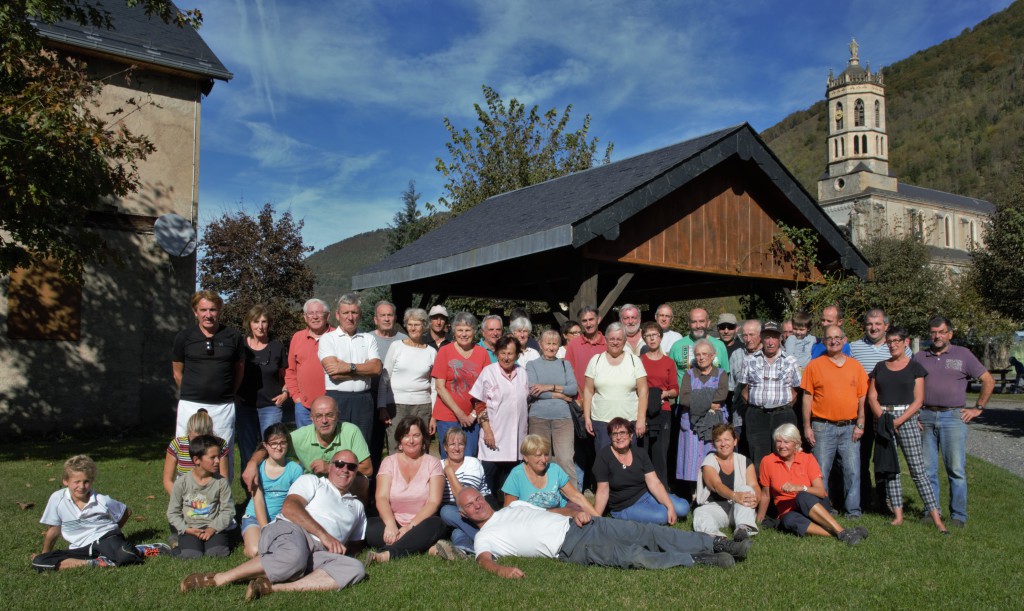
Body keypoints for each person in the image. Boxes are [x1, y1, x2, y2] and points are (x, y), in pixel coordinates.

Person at [179, 450, 367, 601]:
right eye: (340, 464)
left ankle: (274, 587)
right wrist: (325, 535)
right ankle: (219, 579)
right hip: (291, 531)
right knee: (293, 558)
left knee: (355, 569)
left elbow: (355, 544)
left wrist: (340, 553)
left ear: (356, 472)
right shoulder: (313, 482)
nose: (345, 469)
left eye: (351, 466)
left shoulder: (357, 507)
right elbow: (290, 508)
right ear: (330, 467)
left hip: (319, 552)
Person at [459, 487, 752, 577]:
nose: (477, 505)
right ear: (464, 514)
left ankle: (718, 545)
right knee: (633, 556)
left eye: (477, 498)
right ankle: (698, 559)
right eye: (470, 506)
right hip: (570, 548)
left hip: (584, 524)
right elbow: (484, 560)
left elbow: (551, 512)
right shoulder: (484, 536)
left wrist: (577, 511)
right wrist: (503, 571)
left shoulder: (513, 506)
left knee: (649, 533)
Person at [912, 316, 995, 527]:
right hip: (926, 417)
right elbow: (909, 386)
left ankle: (958, 516)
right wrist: (915, 413)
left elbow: (988, 380)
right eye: (933, 332)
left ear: (950, 333)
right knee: (927, 470)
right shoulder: (920, 357)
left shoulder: (963, 355)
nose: (937, 336)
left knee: (956, 470)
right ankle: (932, 512)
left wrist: (977, 409)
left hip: (953, 418)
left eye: (941, 332)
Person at [867, 326, 947, 532]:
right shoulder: (880, 367)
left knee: (918, 470)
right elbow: (872, 396)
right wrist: (883, 418)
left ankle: (936, 516)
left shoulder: (914, 368)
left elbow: (918, 400)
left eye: (896, 341)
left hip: (907, 420)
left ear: (906, 342)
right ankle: (898, 514)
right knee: (890, 468)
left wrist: (899, 420)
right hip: (883, 420)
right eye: (889, 342)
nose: (892, 345)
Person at [171, 290, 244, 479]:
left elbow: (239, 370)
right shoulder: (184, 337)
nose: (208, 314)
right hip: (190, 405)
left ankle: (222, 504)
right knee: (188, 453)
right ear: (195, 312)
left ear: (219, 311)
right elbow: (177, 371)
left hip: (222, 406)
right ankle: (187, 501)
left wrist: (227, 392)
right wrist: (192, 391)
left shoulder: (233, 337)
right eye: (203, 310)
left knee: (221, 454)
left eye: (212, 309)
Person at [32, 455, 150, 571]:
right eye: (76, 482)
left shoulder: (102, 500)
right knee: (40, 562)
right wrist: (44, 554)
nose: (82, 486)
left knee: (127, 558)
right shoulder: (57, 498)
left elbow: (126, 512)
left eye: (86, 481)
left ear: (92, 480)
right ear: (65, 481)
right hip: (79, 548)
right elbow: (54, 530)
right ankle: (95, 562)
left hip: (105, 538)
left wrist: (115, 533)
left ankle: (140, 550)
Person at [756, 424, 868, 545]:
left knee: (802, 496)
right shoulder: (767, 461)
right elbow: (765, 495)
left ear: (796, 444)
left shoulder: (808, 459)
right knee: (787, 520)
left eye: (786, 442)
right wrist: (759, 520)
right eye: (778, 442)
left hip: (814, 505)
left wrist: (799, 488)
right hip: (790, 511)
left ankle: (840, 530)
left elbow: (820, 491)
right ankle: (844, 533)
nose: (782, 446)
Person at [242, 396, 372, 500]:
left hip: (344, 486)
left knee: (362, 482)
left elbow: (367, 469)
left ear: (337, 416)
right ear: (311, 418)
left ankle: (360, 519)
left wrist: (330, 468)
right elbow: (270, 446)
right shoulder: (301, 436)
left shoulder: (351, 431)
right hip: (312, 489)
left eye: (329, 415)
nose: (324, 420)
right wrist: (252, 463)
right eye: (319, 416)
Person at [801, 325, 868, 518]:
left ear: (844, 340)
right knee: (821, 472)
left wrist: (860, 423)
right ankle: (823, 510)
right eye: (829, 338)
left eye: (838, 337)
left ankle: (853, 511)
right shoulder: (814, 365)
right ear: (824, 341)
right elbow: (807, 397)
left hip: (849, 427)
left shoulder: (855, 366)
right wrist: (807, 426)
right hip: (822, 426)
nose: (834, 341)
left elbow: (862, 397)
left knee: (852, 471)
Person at [848, 308, 909, 511]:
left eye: (878, 324)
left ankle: (886, 500)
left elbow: (911, 379)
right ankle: (865, 499)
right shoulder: (854, 347)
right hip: (862, 410)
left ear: (886, 326)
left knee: (885, 457)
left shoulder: (899, 348)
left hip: (888, 411)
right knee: (861, 458)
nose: (873, 328)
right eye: (869, 324)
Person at [365, 416, 446, 564]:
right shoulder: (389, 462)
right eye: (406, 436)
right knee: (368, 527)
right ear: (400, 441)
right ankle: (422, 546)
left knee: (436, 524)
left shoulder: (433, 463)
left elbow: (434, 502)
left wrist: (409, 527)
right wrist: (390, 524)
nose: (411, 440)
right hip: (393, 522)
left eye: (416, 435)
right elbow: (381, 497)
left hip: (420, 524)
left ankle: (387, 554)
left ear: (423, 439)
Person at [593, 418, 689, 524]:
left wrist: (670, 506)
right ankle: (647, 511)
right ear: (610, 437)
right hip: (624, 506)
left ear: (631, 435)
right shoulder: (604, 456)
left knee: (683, 508)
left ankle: (659, 505)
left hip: (645, 495)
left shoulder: (640, 453)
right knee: (662, 515)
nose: (619, 437)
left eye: (622, 433)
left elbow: (655, 483)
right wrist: (596, 518)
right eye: (614, 434)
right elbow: (602, 491)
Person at [319, 293, 382, 446]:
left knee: (362, 445)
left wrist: (348, 367)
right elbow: (334, 373)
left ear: (359, 315)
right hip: (338, 399)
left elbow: (376, 369)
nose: (350, 317)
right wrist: (363, 371)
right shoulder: (328, 339)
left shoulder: (368, 339)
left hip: (364, 400)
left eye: (354, 312)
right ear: (337, 315)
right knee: (337, 444)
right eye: (345, 312)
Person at [236, 304, 288, 483]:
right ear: (249, 324)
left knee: (272, 447)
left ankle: (271, 487)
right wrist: (233, 394)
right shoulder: (240, 345)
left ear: (269, 324)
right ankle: (249, 491)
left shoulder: (277, 346)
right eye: (256, 321)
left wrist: (285, 392)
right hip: (245, 406)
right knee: (247, 449)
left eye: (264, 322)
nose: (260, 326)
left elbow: (285, 374)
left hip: (270, 407)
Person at [741, 321, 802, 475]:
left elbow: (796, 389)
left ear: (780, 338)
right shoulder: (749, 360)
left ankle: (783, 496)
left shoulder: (790, 361)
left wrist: (783, 405)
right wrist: (757, 405)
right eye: (767, 337)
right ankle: (762, 496)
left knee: (785, 455)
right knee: (759, 459)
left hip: (783, 414)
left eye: (774, 337)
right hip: (757, 415)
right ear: (761, 338)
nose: (770, 342)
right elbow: (744, 390)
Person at [471, 335, 530, 492]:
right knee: (490, 482)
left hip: (517, 438)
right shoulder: (488, 372)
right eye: (502, 353)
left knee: (511, 482)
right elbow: (479, 403)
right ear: (496, 353)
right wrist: (488, 431)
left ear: (517, 355)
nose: (506, 357)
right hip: (494, 437)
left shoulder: (522, 373)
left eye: (510, 353)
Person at [430, 311, 491, 459]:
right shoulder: (444, 351)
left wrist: (472, 415)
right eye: (460, 330)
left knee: (469, 457)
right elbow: (439, 386)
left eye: (468, 330)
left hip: (472, 418)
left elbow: (487, 388)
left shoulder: (482, 353)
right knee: (450, 457)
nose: (464, 334)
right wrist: (460, 414)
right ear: (454, 332)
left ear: (474, 332)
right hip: (447, 416)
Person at [378, 308, 437, 454]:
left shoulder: (431, 352)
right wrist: (382, 407)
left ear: (424, 326)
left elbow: (434, 386)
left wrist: (434, 416)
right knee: (396, 446)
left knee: (420, 447)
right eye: (409, 324)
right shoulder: (396, 346)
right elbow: (384, 378)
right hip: (396, 407)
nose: (412, 328)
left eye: (416, 324)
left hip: (423, 406)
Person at [240, 423, 304, 558]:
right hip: (255, 518)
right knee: (257, 551)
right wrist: (265, 529)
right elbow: (258, 501)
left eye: (283, 443)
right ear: (266, 445)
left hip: (282, 520)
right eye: (273, 443)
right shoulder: (258, 469)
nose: (278, 447)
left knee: (281, 551)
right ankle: (249, 542)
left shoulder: (295, 469)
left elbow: (295, 500)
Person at [583, 322, 648, 452]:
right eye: (612, 339)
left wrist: (641, 419)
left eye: (619, 339)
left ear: (624, 341)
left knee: (629, 463)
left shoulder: (634, 361)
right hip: (602, 422)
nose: (615, 342)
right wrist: (587, 418)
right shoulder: (595, 361)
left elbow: (643, 392)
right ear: (606, 340)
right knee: (605, 462)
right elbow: (588, 391)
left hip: (629, 421)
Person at [167, 435, 235, 558]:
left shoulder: (221, 482)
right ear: (197, 460)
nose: (218, 461)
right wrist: (186, 529)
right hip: (190, 529)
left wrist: (212, 528)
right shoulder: (182, 483)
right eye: (212, 457)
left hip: (214, 528)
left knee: (217, 554)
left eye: (218, 456)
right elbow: (173, 513)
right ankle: (175, 543)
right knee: (191, 555)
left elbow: (228, 510)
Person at [525, 329, 579, 481]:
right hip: (538, 418)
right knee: (539, 458)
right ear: (540, 345)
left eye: (554, 344)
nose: (551, 347)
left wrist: (549, 387)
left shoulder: (564, 364)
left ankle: (573, 499)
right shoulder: (532, 365)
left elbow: (573, 388)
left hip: (563, 419)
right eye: (547, 343)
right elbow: (534, 391)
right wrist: (560, 395)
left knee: (565, 459)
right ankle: (539, 493)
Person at [678, 339, 729, 497]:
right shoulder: (689, 374)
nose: (701, 358)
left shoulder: (720, 374)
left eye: (705, 354)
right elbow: (684, 398)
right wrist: (709, 402)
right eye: (698, 354)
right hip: (692, 425)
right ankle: (693, 495)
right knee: (692, 460)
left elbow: (721, 395)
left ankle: (712, 492)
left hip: (714, 424)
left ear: (713, 355)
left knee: (712, 456)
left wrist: (697, 400)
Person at [502, 434, 598, 515]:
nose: (544, 460)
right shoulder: (516, 475)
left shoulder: (554, 469)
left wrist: (599, 520)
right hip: (529, 523)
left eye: (546, 454)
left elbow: (576, 497)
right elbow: (509, 511)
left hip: (558, 519)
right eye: (538, 455)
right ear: (526, 457)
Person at [437, 427, 496, 557]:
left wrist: (449, 472)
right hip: (455, 516)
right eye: (452, 444)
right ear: (445, 447)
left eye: (461, 444)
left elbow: (465, 498)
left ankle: (490, 540)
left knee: (446, 511)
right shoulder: (437, 465)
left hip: (477, 508)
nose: (457, 448)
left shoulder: (472, 463)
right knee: (451, 520)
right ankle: (463, 548)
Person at [694, 424, 758, 539]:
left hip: (739, 507)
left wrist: (756, 499)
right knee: (699, 512)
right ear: (714, 444)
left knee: (748, 489)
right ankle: (717, 539)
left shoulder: (745, 461)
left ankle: (743, 530)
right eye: (718, 441)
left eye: (727, 439)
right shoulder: (709, 462)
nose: (723, 444)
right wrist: (734, 496)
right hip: (716, 507)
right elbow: (716, 486)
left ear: (735, 441)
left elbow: (754, 485)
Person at [368, 300, 409, 472]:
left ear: (395, 318)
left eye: (389, 315)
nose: (386, 318)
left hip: (397, 402)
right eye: (382, 315)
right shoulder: (367, 339)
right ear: (375, 319)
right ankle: (372, 493)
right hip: (371, 399)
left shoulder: (405, 340)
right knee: (373, 448)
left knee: (399, 447)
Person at [638, 321, 678, 486]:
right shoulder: (639, 361)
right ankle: (641, 488)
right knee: (643, 450)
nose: (652, 339)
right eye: (648, 336)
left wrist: (664, 394)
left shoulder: (669, 362)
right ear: (644, 339)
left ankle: (662, 488)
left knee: (660, 452)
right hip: (644, 410)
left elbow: (675, 389)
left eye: (655, 335)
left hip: (663, 410)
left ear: (660, 337)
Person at [286, 298, 334, 428]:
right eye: (311, 313)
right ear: (305, 317)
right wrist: (296, 397)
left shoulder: (337, 336)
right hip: (304, 407)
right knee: (306, 445)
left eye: (319, 313)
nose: (315, 317)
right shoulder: (297, 338)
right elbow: (290, 371)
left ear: (327, 315)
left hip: (331, 406)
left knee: (332, 445)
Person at [163, 408, 229, 496]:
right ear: (188, 431)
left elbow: (224, 479)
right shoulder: (177, 445)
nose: (199, 444)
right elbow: (167, 481)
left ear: (211, 433)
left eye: (205, 439)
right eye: (195, 439)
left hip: (211, 494)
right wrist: (180, 500)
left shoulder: (220, 444)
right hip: (184, 494)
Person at [668, 308, 730, 381]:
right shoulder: (676, 346)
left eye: (701, 321)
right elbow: (669, 377)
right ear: (689, 323)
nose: (698, 326)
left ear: (708, 323)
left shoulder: (720, 346)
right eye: (694, 322)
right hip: (684, 391)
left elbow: (725, 376)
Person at [728, 319, 762, 444]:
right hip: (739, 417)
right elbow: (731, 387)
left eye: (751, 335)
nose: (748, 339)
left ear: (760, 335)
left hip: (762, 416)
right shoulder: (736, 355)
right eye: (745, 335)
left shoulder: (769, 355)